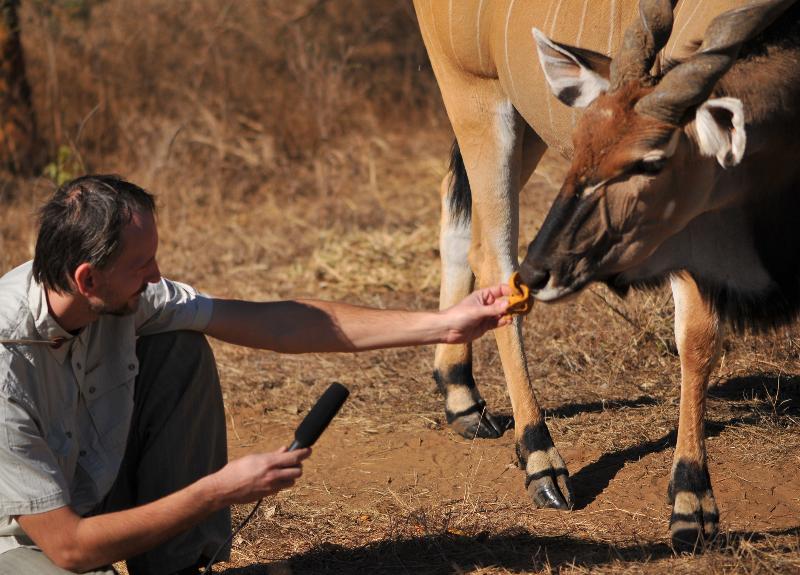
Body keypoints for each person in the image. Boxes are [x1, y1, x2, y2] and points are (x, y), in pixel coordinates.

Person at [0, 175, 512, 575]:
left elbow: (281, 322)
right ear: (87, 278)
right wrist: (216, 491)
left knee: (179, 348)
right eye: (142, 264)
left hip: (88, 488)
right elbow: (67, 546)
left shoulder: (124, 297)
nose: (156, 276)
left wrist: (444, 326)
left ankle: (176, 568)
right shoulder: (6, 366)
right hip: (26, 537)